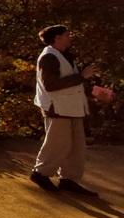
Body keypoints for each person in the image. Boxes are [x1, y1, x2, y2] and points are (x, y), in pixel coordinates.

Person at [30, 25, 99, 196]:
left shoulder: (66, 56)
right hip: (57, 108)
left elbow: (72, 84)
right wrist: (82, 76)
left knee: (77, 147)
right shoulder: (48, 58)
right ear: (57, 38)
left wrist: (95, 92)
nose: (71, 37)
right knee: (57, 144)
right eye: (67, 35)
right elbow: (51, 85)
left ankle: (69, 180)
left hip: (73, 108)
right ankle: (40, 174)